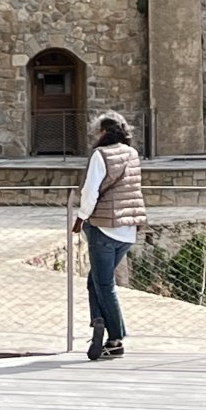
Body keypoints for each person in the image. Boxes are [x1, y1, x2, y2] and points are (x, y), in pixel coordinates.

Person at [71, 110, 146, 361]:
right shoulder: (132, 154)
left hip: (104, 227)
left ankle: (115, 338)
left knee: (104, 284)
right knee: (95, 281)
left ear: (103, 132)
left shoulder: (100, 155)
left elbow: (90, 192)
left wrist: (81, 217)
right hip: (127, 230)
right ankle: (99, 322)